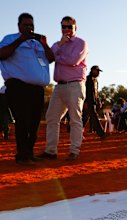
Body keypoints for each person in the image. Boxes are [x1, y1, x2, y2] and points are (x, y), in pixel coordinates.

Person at [0, 12, 53, 165]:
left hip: (37, 89)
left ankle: (29, 152)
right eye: (25, 25)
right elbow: (1, 54)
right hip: (18, 87)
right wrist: (20, 40)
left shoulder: (37, 44)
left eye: (31, 25)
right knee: (23, 121)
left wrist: (45, 44)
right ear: (19, 26)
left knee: (34, 123)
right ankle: (22, 155)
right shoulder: (9, 39)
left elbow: (50, 58)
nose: (29, 28)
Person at [38, 16, 88, 161]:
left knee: (75, 119)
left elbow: (73, 60)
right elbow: (48, 58)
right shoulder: (58, 44)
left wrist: (57, 57)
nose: (66, 29)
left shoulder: (81, 43)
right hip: (59, 86)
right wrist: (59, 45)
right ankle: (51, 151)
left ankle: (74, 151)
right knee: (52, 118)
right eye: (63, 26)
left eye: (69, 27)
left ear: (75, 28)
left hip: (75, 85)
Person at [82, 65, 107, 139]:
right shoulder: (87, 79)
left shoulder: (95, 81)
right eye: (97, 71)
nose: (98, 73)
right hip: (88, 101)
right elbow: (85, 91)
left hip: (93, 101)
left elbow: (96, 92)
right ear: (93, 70)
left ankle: (76, 131)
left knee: (85, 118)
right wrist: (85, 101)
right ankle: (101, 134)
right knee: (94, 117)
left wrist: (98, 101)